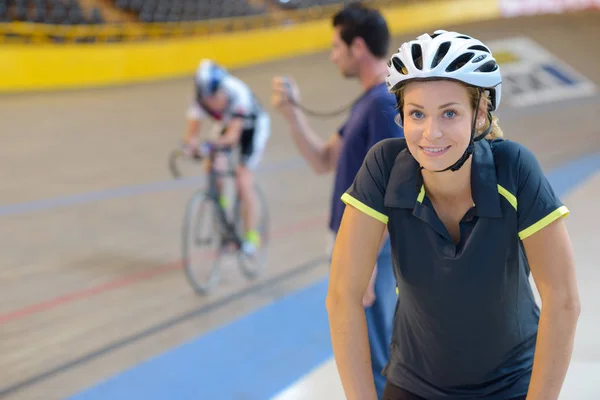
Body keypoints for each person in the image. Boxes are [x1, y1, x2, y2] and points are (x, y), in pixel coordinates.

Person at [327, 29, 581, 400]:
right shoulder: (384, 166)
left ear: (479, 115)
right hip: (413, 384)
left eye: (449, 113)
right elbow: (342, 295)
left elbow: (563, 299)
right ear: (401, 116)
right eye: (417, 113)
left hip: (512, 386)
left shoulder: (514, 169)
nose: (431, 133)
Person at [271, 3, 404, 398]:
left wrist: (361, 264)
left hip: (367, 252)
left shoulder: (381, 104)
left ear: (357, 47)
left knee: (375, 357)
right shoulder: (367, 103)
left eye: (335, 47)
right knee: (364, 353)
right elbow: (323, 159)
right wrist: (292, 114)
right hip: (354, 249)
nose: (332, 56)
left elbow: (391, 189)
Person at [183, 59, 271, 256]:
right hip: (227, 122)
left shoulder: (236, 92)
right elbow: (192, 133)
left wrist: (209, 145)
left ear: (221, 89)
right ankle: (223, 210)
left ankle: (251, 236)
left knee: (242, 178)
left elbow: (232, 137)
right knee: (213, 166)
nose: (210, 103)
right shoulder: (198, 97)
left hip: (252, 127)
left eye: (213, 97)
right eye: (206, 98)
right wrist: (191, 147)